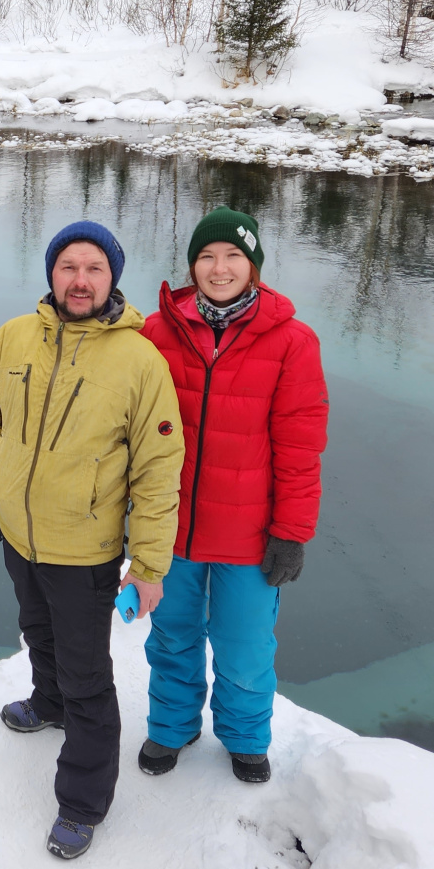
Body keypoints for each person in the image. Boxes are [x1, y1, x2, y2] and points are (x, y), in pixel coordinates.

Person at [0, 221, 184, 859]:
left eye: (93, 269)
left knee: (88, 674)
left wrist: (149, 564)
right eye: (68, 267)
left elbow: (158, 470)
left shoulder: (140, 361)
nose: (79, 280)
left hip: (84, 550)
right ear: (52, 274)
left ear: (112, 278)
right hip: (19, 535)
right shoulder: (15, 336)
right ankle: (46, 701)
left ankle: (83, 801)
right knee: (38, 632)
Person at [137, 207, 329, 785]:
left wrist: (291, 533)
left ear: (253, 266)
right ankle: (171, 727)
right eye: (206, 256)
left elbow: (300, 447)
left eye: (232, 257)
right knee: (172, 637)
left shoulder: (292, 341)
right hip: (172, 529)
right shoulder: (157, 331)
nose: (219, 269)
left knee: (244, 645)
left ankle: (245, 737)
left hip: (249, 536)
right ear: (192, 265)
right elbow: (132, 430)